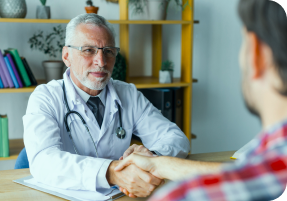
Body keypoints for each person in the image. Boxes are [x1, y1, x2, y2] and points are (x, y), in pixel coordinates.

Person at [115, 0, 287, 200]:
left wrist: (146, 158)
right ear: (67, 56)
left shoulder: (186, 195)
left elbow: (177, 138)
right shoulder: (265, 160)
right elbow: (247, 171)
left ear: (257, 54)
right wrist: (158, 164)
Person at [23, 13, 190, 197]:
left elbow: (176, 138)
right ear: (66, 56)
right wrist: (111, 172)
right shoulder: (46, 97)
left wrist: (151, 156)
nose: (101, 62)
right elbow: (43, 162)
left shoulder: (128, 94)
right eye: (88, 50)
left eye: (108, 51)